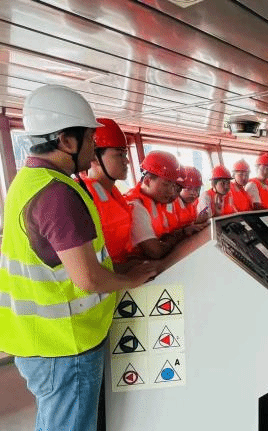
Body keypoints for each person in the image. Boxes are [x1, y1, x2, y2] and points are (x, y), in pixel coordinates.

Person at [0, 85, 156, 431]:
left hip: (37, 340)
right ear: (66, 141)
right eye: (89, 139)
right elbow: (88, 278)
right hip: (64, 345)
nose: (93, 147)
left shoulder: (27, 181)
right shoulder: (57, 194)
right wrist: (131, 279)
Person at [84, 118, 134, 265]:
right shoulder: (82, 196)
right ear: (95, 157)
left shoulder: (114, 194)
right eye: (120, 154)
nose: (127, 161)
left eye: (125, 154)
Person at [125, 151, 184, 259]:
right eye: (166, 184)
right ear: (147, 181)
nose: (171, 192)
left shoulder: (157, 203)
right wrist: (175, 239)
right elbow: (155, 251)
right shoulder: (136, 206)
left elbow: (165, 237)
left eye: (173, 186)